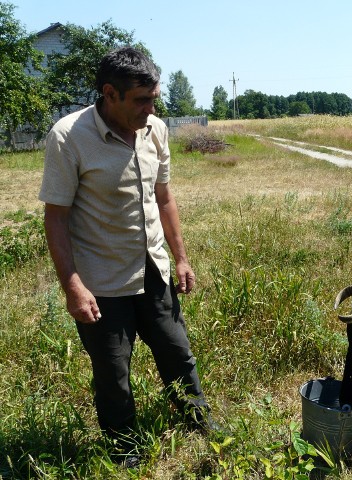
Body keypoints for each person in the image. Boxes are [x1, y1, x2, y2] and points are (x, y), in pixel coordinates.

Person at [39, 47, 218, 466]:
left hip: (153, 271)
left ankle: (200, 424)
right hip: (102, 282)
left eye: (154, 98)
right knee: (113, 373)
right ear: (109, 94)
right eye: (141, 100)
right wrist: (72, 285)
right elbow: (56, 219)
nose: (151, 109)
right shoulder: (69, 137)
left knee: (178, 352)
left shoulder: (155, 130)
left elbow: (164, 197)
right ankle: (125, 453)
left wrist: (182, 258)